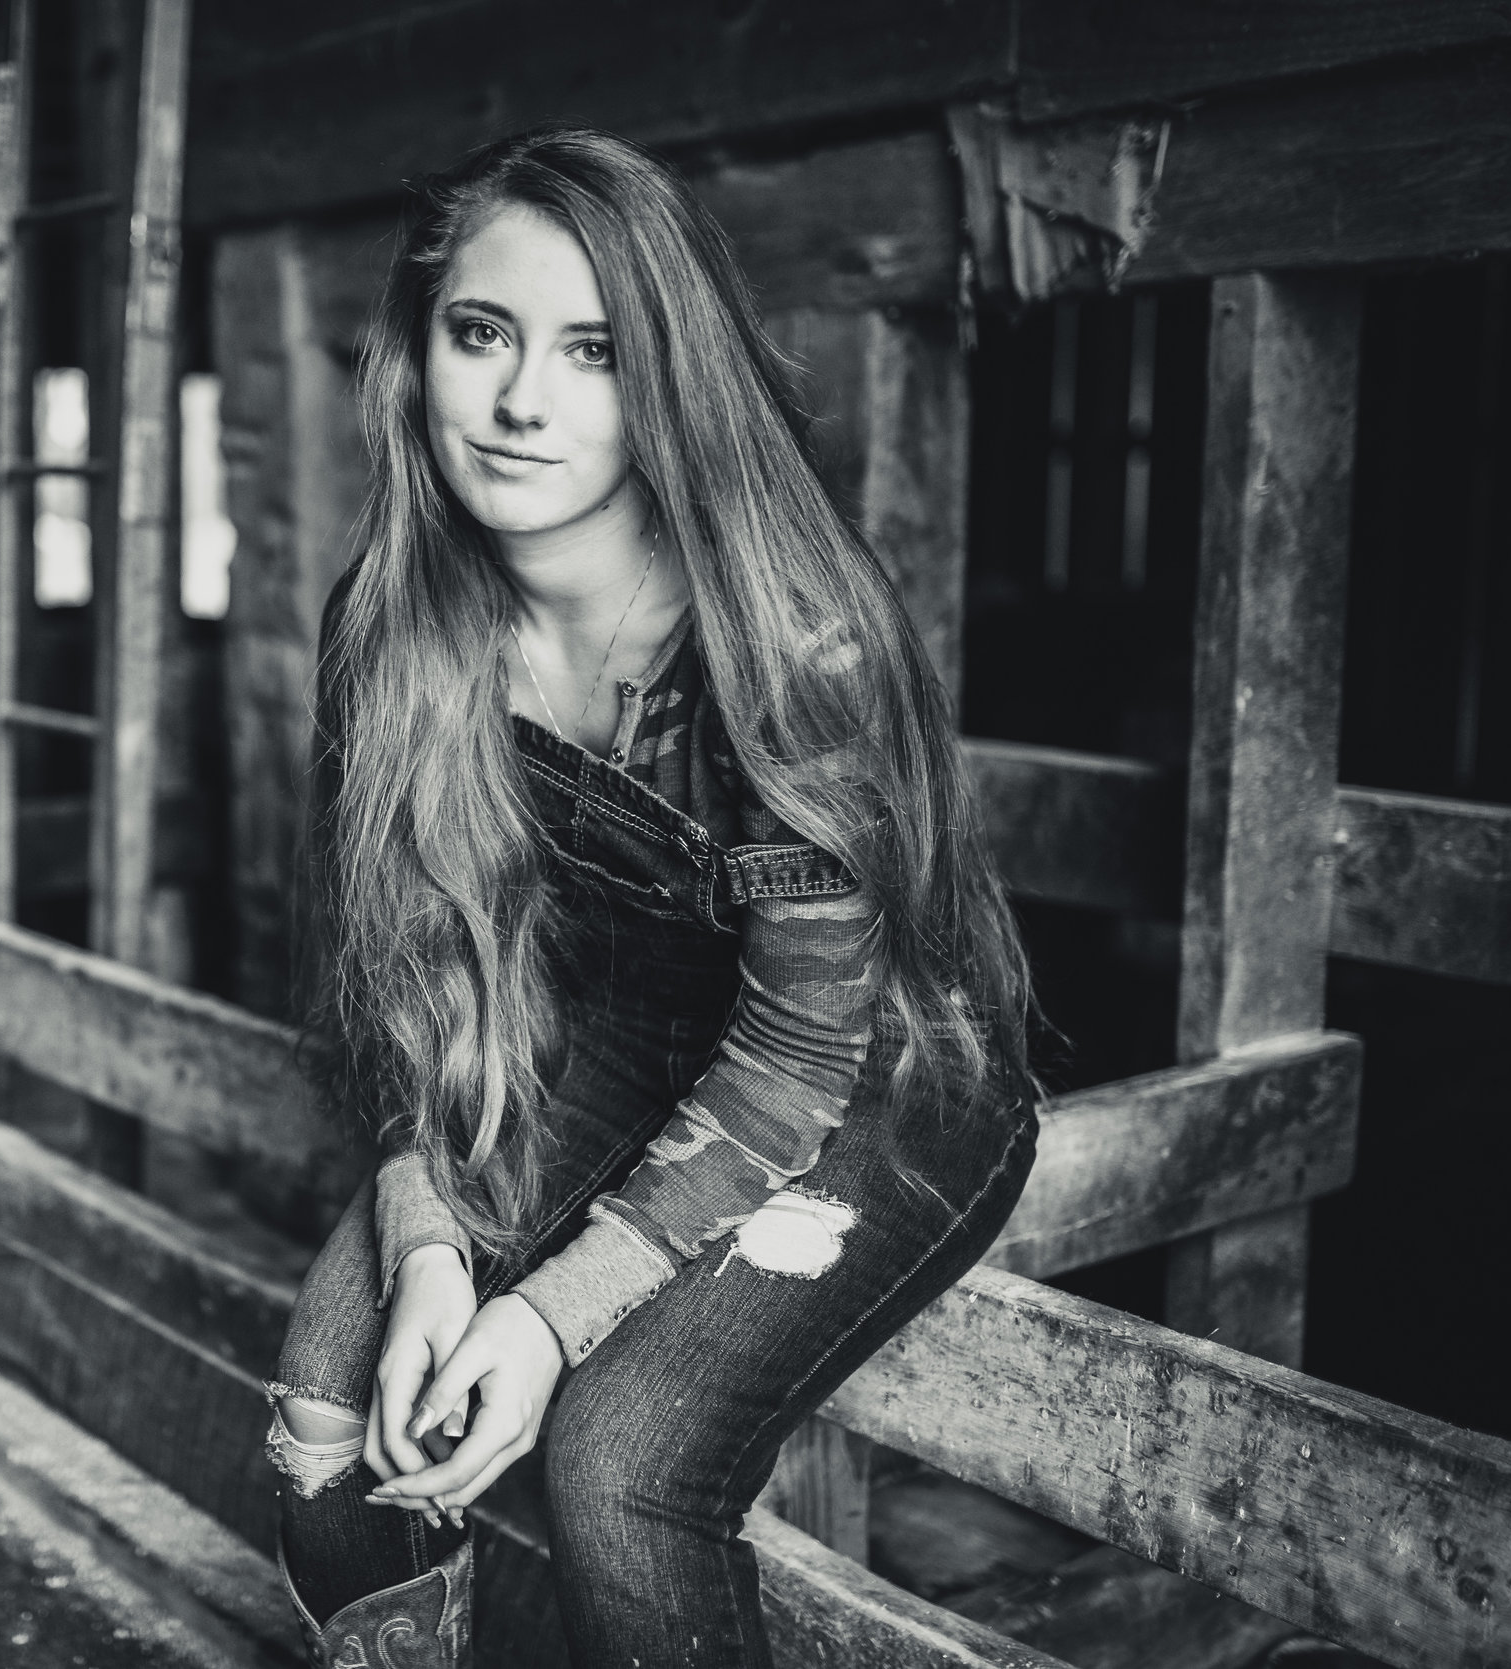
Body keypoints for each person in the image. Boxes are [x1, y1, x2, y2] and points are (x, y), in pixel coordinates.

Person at [263, 126, 1039, 1668]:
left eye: (593, 352)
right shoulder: (393, 624)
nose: (521, 400)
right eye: (480, 332)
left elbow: (796, 1059)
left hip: (864, 1075)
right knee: (336, 1399)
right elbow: (411, 985)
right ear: (420, 349)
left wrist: (545, 1317)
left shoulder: (784, 648)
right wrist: (432, 1251)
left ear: (666, 378)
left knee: (618, 1462)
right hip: (612, 1029)